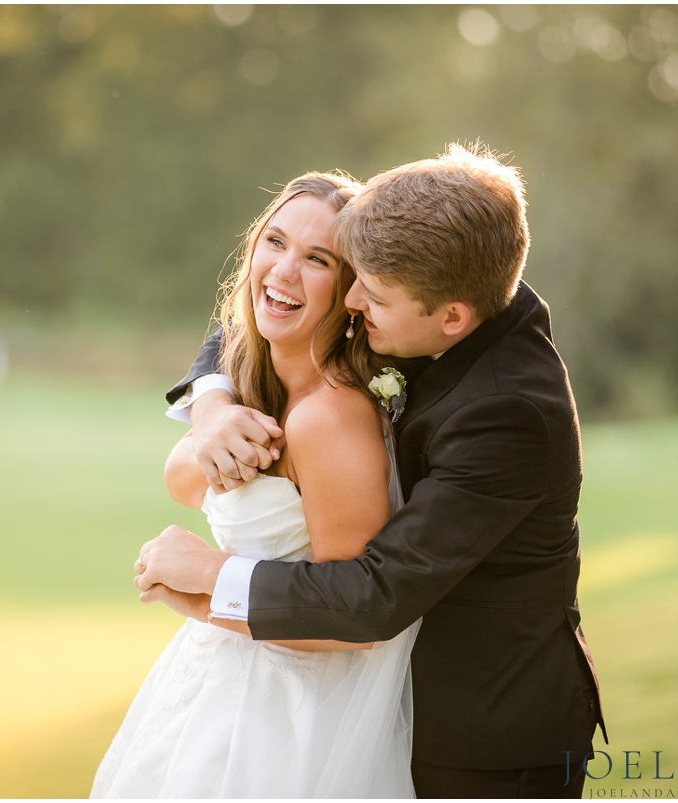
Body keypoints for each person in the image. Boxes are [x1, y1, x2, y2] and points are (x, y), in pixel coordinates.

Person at [137, 143, 607, 798]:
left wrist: (217, 579)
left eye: (370, 292)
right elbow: (257, 308)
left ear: (452, 317)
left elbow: (375, 595)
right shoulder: (445, 267)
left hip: (481, 732)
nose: (354, 300)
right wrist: (213, 405)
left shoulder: (508, 410)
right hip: (354, 700)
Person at [91, 172, 420, 798]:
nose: (284, 270)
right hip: (215, 683)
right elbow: (186, 484)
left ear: (351, 291)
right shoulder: (251, 378)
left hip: (286, 719)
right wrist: (211, 421)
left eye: (317, 259)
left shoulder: (329, 418)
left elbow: (356, 620)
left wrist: (205, 584)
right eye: (275, 241)